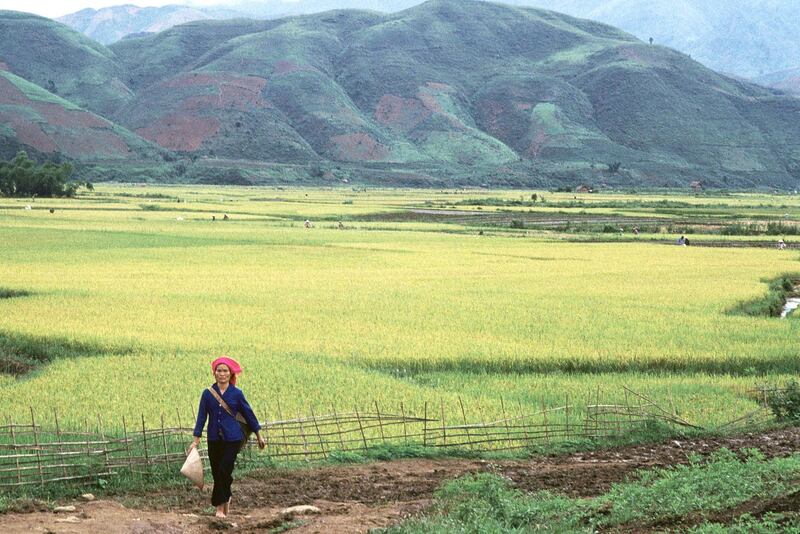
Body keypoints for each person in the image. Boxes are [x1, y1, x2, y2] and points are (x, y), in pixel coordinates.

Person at [190, 357, 265, 518]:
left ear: (230, 374)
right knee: (218, 473)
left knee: (225, 470)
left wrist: (259, 434)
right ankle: (226, 497)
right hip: (213, 438)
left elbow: (248, 414)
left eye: (225, 371)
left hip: (232, 438)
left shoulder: (237, 393)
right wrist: (195, 440)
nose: (222, 374)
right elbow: (202, 417)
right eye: (219, 370)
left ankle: (218, 508)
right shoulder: (208, 394)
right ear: (214, 373)